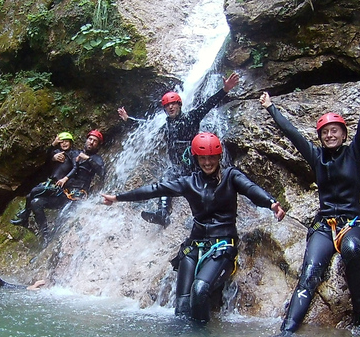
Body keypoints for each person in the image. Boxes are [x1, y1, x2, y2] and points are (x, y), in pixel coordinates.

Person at [103, 132, 285, 322]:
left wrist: (271, 203)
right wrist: (118, 198)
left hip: (222, 244)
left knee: (199, 289)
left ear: (219, 157)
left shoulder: (231, 176)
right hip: (194, 245)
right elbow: (156, 189)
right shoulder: (189, 182)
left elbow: (250, 189)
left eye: (212, 157)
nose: (208, 162)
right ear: (196, 158)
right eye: (203, 158)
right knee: (181, 305)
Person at [260, 64, 360, 337]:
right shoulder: (316, 157)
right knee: (311, 270)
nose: (330, 135)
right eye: (325, 132)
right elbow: (292, 134)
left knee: (351, 248)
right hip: (324, 226)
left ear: (343, 133)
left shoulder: (354, 153)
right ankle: (288, 329)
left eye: (335, 131)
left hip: (352, 223)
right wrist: (271, 108)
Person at [117, 73, 240, 227]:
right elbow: (146, 126)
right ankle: (162, 214)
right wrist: (129, 119)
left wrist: (225, 90)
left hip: (196, 166)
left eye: (173, 103)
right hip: (179, 168)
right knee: (167, 177)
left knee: (205, 183)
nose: (170, 107)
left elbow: (207, 105)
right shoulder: (166, 126)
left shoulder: (191, 117)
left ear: (180, 105)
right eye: (167, 105)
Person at [24, 129, 105, 241]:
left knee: (62, 222)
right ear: (86, 140)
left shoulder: (97, 159)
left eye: (95, 141)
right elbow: (48, 159)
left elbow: (101, 171)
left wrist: (88, 159)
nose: (91, 142)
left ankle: (51, 243)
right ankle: (45, 237)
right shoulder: (73, 153)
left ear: (98, 145)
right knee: (35, 202)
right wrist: (53, 157)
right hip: (62, 192)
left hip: (77, 195)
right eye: (90, 139)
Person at [10, 131, 76, 228]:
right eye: (62, 142)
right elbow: (44, 156)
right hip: (51, 183)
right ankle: (30, 223)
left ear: (71, 143)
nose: (64, 143)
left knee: (34, 191)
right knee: (30, 198)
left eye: (67, 141)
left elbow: (76, 167)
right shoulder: (56, 153)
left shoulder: (73, 154)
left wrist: (65, 179)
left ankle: (25, 215)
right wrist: (53, 150)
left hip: (60, 187)